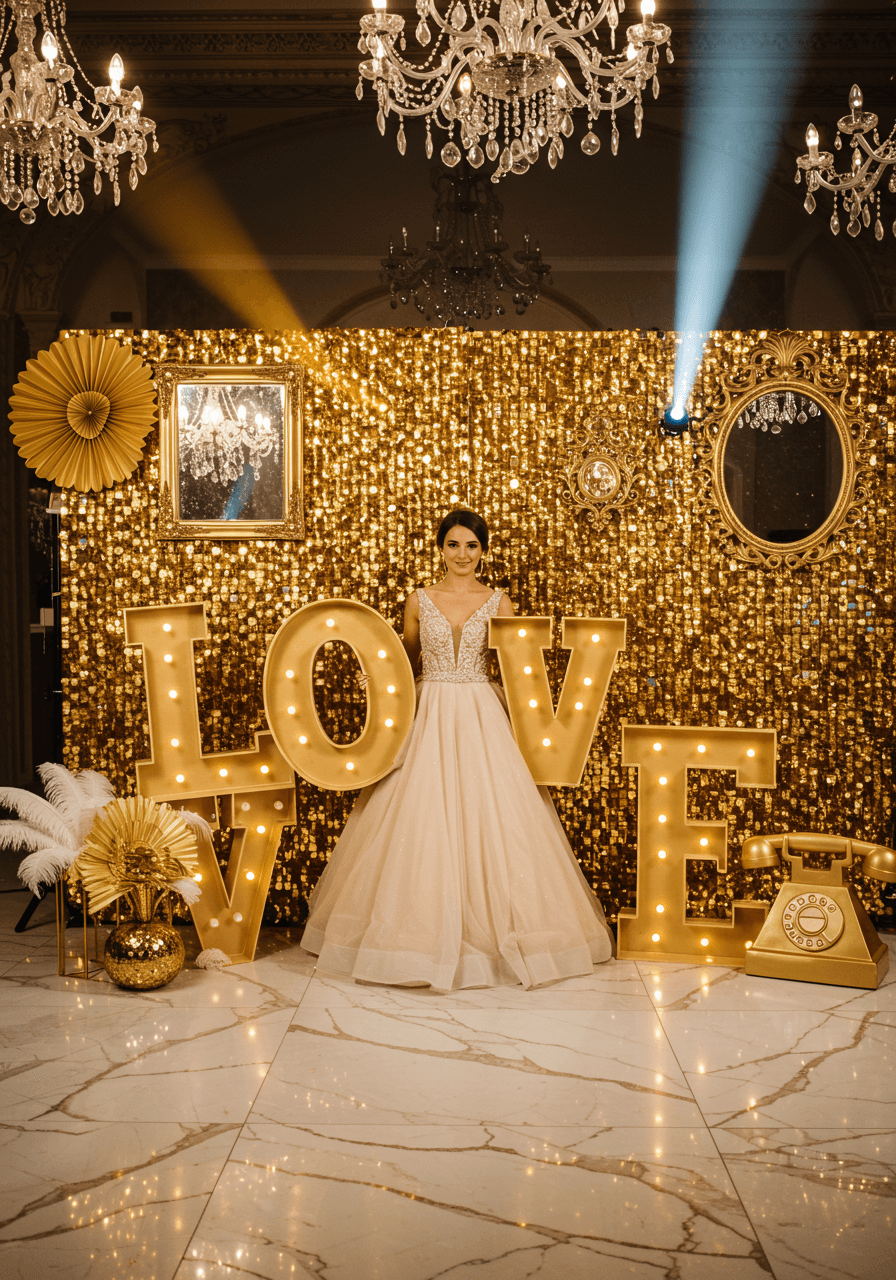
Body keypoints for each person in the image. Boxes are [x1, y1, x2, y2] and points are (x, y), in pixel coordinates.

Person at [300, 509, 615, 989]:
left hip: (480, 712)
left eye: (471, 545)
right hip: (427, 710)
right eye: (453, 544)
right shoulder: (418, 600)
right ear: (440, 549)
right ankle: (416, 937)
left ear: (483, 551)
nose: (462, 554)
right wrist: (376, 680)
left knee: (491, 816)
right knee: (419, 815)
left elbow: (517, 669)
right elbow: (404, 662)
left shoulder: (500, 602)